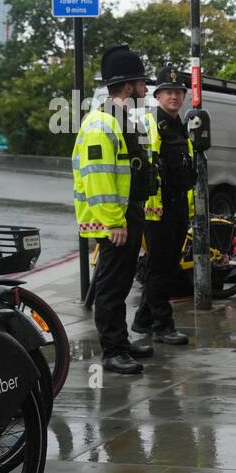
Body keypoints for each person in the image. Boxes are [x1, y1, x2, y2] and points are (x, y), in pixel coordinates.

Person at [73, 45, 158, 375]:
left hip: (127, 215)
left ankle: (121, 342)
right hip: (112, 222)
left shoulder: (120, 120)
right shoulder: (100, 125)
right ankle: (112, 352)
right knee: (110, 288)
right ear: (127, 86)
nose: (146, 90)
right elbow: (98, 179)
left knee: (121, 285)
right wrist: (114, 223)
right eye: (142, 84)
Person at [132, 66, 194, 346]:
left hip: (177, 204)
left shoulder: (180, 125)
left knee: (168, 266)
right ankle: (162, 324)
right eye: (168, 92)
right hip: (157, 208)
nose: (174, 96)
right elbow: (145, 169)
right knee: (160, 267)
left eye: (179, 92)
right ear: (157, 95)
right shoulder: (150, 124)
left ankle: (143, 319)